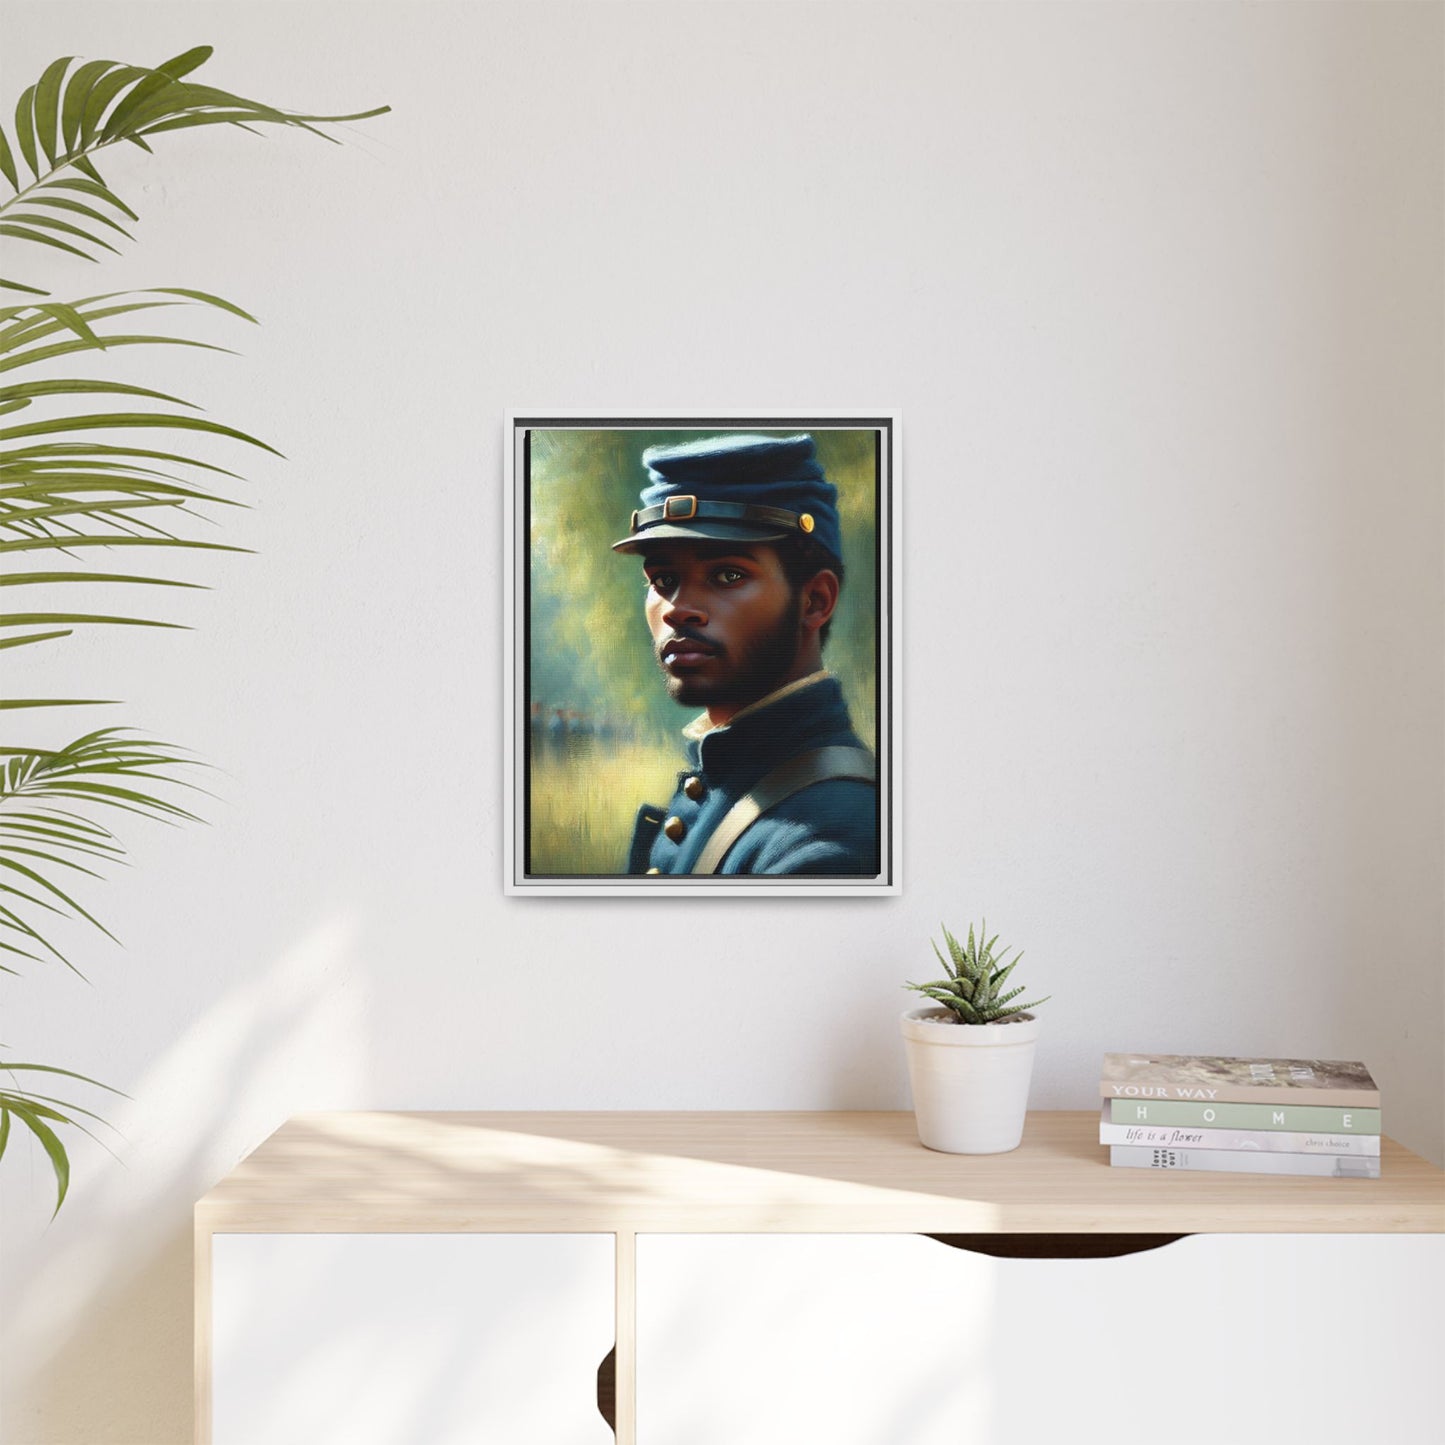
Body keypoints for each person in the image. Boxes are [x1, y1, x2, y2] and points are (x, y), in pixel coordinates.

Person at [611, 432, 879, 876]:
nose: (678, 609)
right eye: (662, 581)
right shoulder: (740, 780)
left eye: (728, 574)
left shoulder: (832, 837)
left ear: (814, 601)